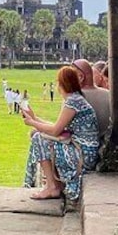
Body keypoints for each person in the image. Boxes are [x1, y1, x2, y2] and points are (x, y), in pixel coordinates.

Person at [22, 67, 99, 201]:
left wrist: (32, 123)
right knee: (38, 133)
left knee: (38, 138)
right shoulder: (76, 99)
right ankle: (53, 183)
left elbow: (56, 130)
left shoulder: (73, 101)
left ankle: (52, 186)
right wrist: (34, 119)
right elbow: (59, 127)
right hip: (82, 148)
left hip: (83, 154)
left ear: (62, 84)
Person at [71, 59, 112, 139]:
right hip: (105, 143)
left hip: (83, 146)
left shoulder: (74, 98)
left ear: (81, 77)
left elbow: (63, 129)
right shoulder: (108, 94)